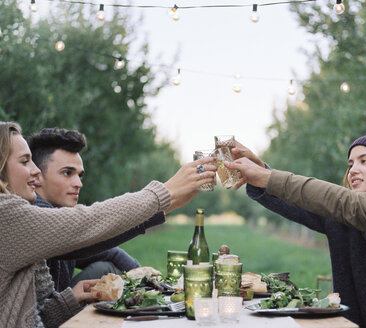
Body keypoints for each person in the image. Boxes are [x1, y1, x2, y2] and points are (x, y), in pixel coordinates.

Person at [0, 121, 216, 328]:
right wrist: (164, 194)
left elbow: (30, 317)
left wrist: (68, 301)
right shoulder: (6, 215)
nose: (35, 171)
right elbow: (88, 224)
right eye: (24, 161)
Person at [226, 119, 366, 328]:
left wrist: (265, 175)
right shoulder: (342, 220)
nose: (353, 170)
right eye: (350, 164)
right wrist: (262, 173)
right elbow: (318, 199)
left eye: (364, 161)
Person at [28, 128, 152, 292]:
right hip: (40, 315)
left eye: (80, 175)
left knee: (106, 267)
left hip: (57, 306)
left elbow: (109, 252)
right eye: (67, 173)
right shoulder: (32, 216)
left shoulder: (63, 217)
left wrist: (147, 280)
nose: (78, 183)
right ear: (37, 177)